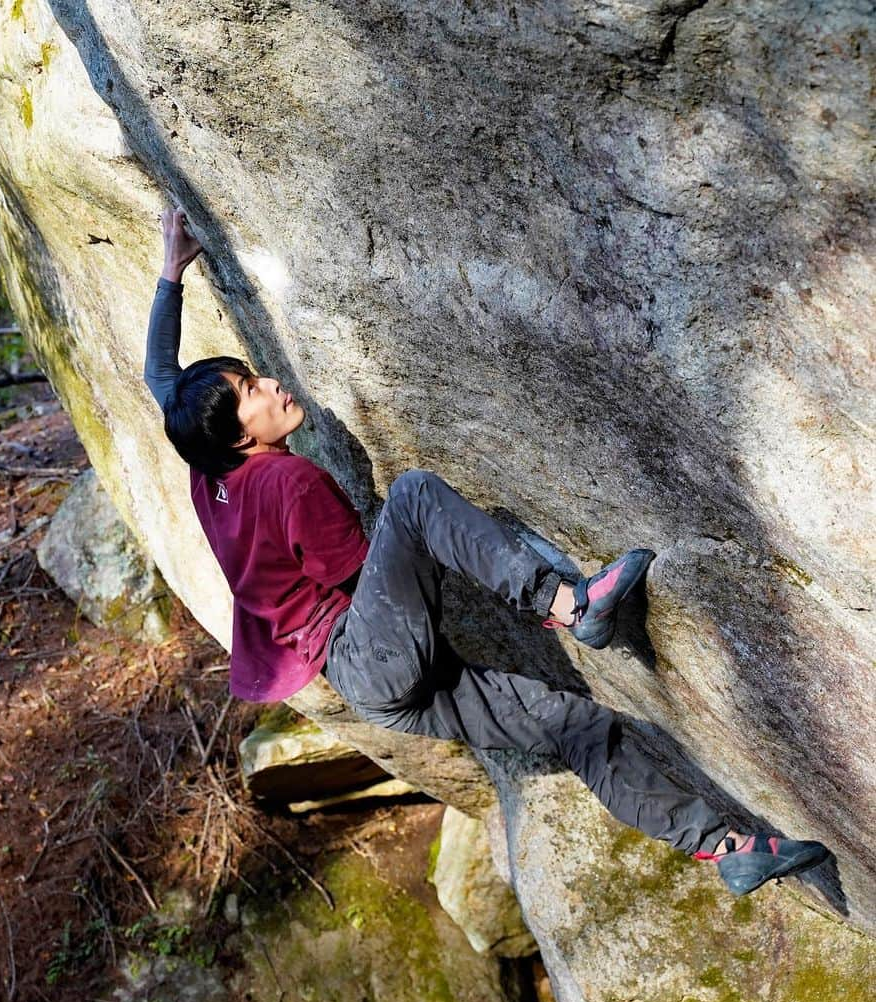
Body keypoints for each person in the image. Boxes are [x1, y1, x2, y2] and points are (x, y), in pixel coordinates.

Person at [144, 207, 829, 897]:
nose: (268, 384)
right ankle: (569, 604)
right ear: (239, 437)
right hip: (370, 652)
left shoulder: (209, 467)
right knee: (412, 499)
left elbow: (158, 376)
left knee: (575, 723)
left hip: (377, 691)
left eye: (252, 376)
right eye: (251, 393)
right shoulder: (286, 482)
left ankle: (725, 847)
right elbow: (374, 576)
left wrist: (173, 267)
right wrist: (509, 560)